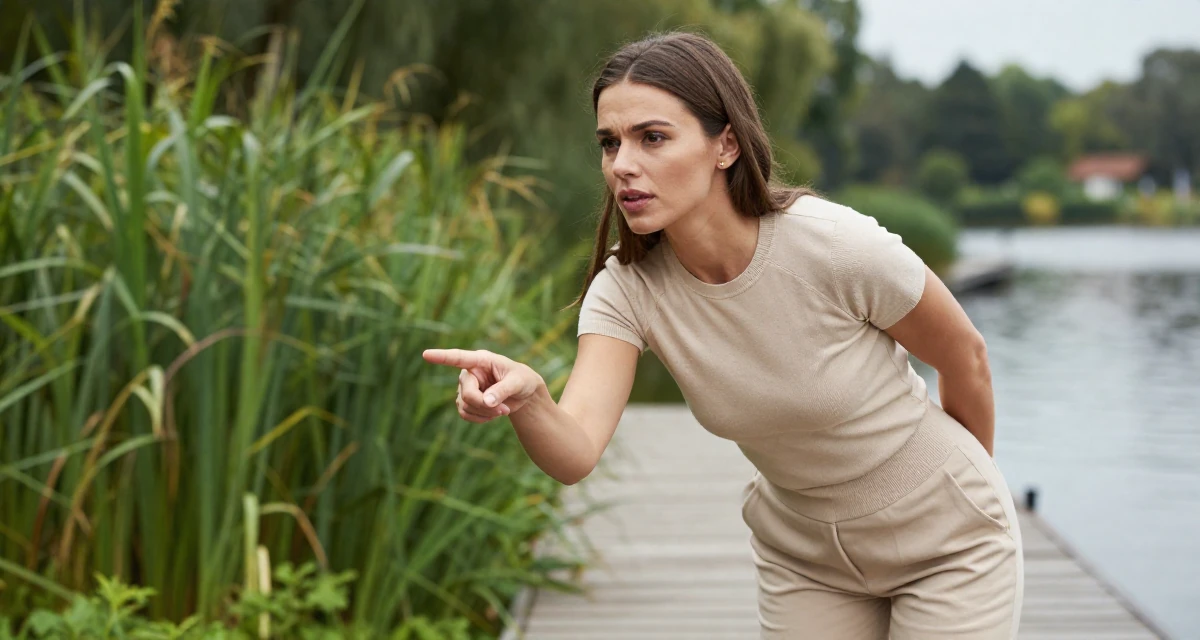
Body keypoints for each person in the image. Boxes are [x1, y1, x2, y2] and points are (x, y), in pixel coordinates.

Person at [423, 31, 1023, 640]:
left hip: (949, 543)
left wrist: (969, 493)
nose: (623, 164)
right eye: (610, 143)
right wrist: (529, 399)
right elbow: (575, 452)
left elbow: (966, 357)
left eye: (652, 137)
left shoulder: (834, 246)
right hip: (807, 559)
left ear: (726, 144)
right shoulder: (627, 289)